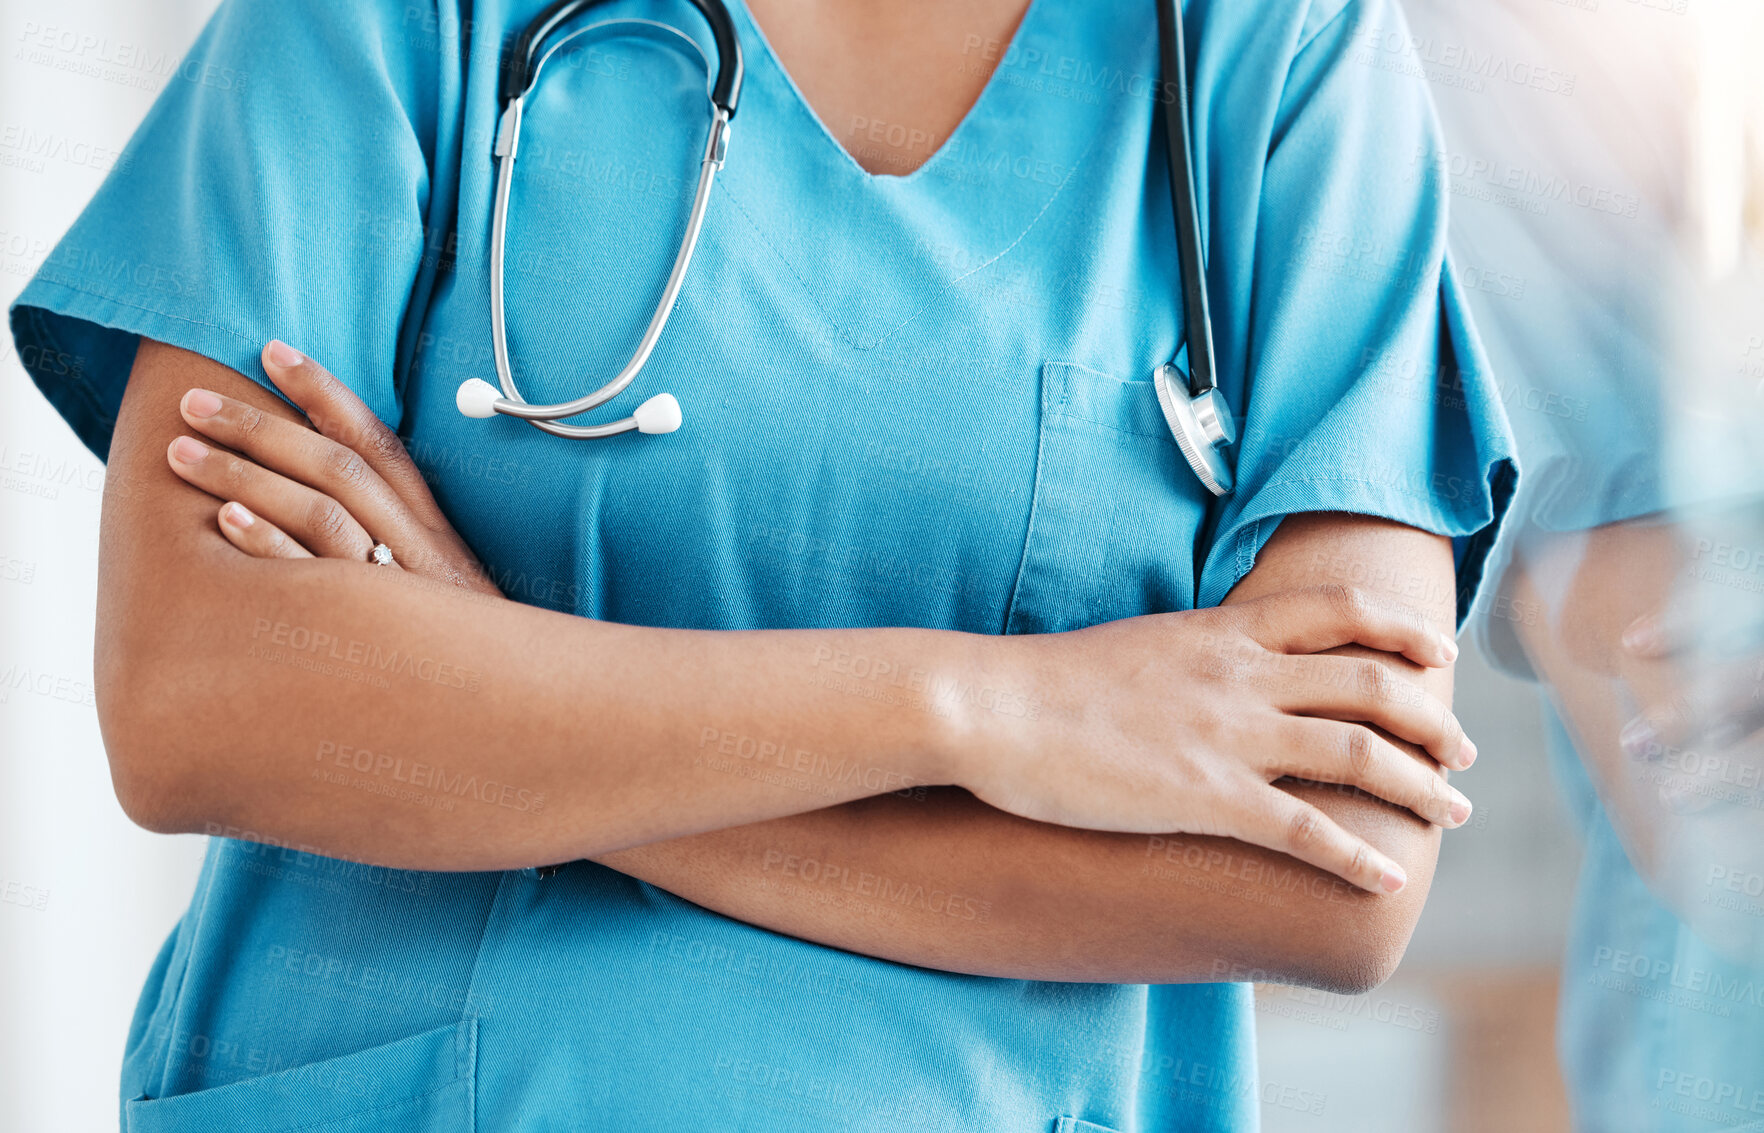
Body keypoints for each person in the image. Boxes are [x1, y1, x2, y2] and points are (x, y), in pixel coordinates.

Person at [8, 0, 1515, 1128]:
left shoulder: (1269, 48)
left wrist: (503, 703)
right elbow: (197, 691)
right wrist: (979, 709)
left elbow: (1336, 865)